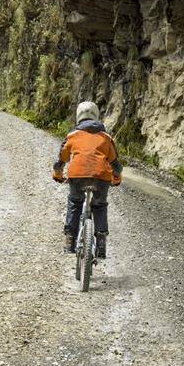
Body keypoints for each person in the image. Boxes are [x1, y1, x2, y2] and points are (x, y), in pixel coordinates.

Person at [52, 101, 122, 258]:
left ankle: (70, 241)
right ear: (96, 116)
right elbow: (116, 165)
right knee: (100, 205)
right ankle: (101, 243)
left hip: (77, 176)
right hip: (101, 177)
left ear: (78, 116)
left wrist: (58, 174)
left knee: (75, 203)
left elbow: (61, 160)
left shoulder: (72, 136)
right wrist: (116, 177)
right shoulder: (106, 137)